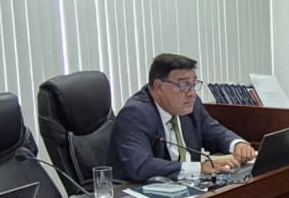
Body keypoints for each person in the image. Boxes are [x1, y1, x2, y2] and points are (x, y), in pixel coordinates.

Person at [109, 53, 255, 182]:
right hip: (140, 197)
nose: (191, 93)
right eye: (183, 85)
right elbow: (141, 166)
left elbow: (213, 131)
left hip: (186, 188)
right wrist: (201, 168)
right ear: (159, 87)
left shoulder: (190, 104)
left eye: (193, 84)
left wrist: (237, 144)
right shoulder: (136, 114)